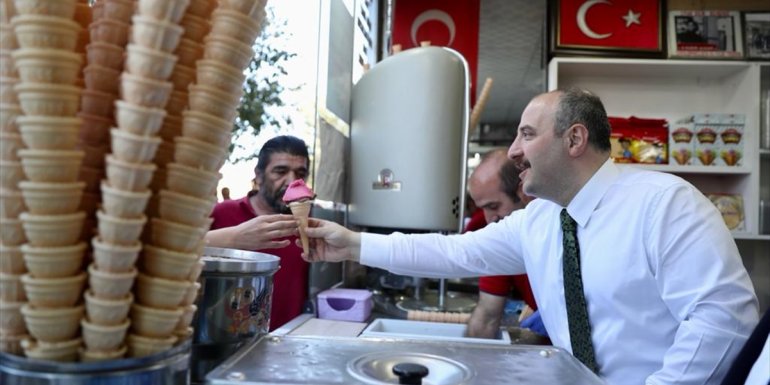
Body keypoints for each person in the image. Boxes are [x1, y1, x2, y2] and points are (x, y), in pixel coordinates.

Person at [300, 88, 759, 385]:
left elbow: (722, 320)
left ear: (574, 139)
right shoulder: (539, 220)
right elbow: (451, 252)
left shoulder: (665, 205)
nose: (514, 151)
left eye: (526, 134)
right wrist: (354, 243)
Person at [206, 135, 310, 330]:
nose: (291, 182)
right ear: (259, 175)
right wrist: (233, 238)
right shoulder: (221, 214)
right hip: (224, 337)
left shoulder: (311, 225)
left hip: (288, 339)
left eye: (300, 173)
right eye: (280, 171)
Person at [464, 149, 543, 339]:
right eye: (482, 208)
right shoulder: (501, 241)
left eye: (494, 207)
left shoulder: (558, 228)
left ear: (523, 192)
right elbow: (487, 316)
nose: (489, 219)